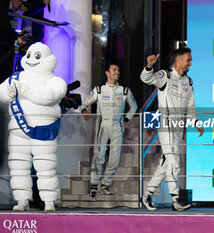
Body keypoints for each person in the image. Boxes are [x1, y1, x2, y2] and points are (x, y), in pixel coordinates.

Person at [0, 42, 67, 212]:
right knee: (18, 166)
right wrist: (8, 92)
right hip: (17, 129)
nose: (31, 59)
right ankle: (22, 200)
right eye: (29, 55)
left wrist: (26, 92)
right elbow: (1, 91)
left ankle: (49, 201)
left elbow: (51, 96)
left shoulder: (55, 80)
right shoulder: (17, 77)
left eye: (36, 56)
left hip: (44, 128)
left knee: (46, 166)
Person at [140, 47, 204, 211]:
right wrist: (149, 66)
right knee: (174, 162)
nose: (190, 63)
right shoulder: (165, 76)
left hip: (178, 127)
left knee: (166, 163)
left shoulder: (188, 81)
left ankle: (147, 193)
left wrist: (195, 122)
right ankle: (176, 199)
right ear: (179, 60)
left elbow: (190, 106)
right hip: (166, 124)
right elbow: (146, 78)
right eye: (188, 60)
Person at [81, 62, 137, 201]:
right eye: (114, 69)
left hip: (118, 126)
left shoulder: (124, 91)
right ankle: (94, 185)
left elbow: (134, 107)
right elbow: (85, 103)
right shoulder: (99, 90)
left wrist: (126, 119)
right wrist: (84, 110)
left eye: (118, 69)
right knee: (98, 156)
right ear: (107, 73)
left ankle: (105, 185)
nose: (117, 72)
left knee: (114, 159)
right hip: (103, 125)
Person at [0, 0, 24, 83]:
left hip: (5, 35)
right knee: (4, 70)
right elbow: (2, 20)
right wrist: (15, 36)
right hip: (3, 37)